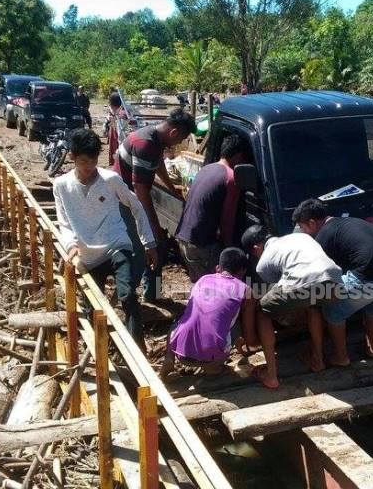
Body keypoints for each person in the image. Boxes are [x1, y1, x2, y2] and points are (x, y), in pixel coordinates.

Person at [54, 128, 158, 349]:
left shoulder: (111, 180)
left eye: (93, 161)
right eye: (83, 161)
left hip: (116, 244)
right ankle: (102, 347)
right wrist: (70, 245)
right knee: (94, 305)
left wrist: (148, 242)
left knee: (128, 294)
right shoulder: (61, 185)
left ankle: (137, 349)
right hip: (87, 253)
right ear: (72, 157)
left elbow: (136, 207)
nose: (89, 167)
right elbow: (63, 221)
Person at [293, 199, 373, 363]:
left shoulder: (324, 236)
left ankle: (341, 357)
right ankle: (372, 348)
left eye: (302, 227)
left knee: (333, 311)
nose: (303, 232)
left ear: (312, 222)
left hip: (372, 279)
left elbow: (320, 273)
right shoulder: (347, 221)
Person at [242, 225, 343, 389]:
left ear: (256, 247)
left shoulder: (263, 264)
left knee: (263, 311)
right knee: (313, 306)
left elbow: (282, 293)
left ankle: (271, 375)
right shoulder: (300, 237)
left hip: (305, 285)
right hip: (336, 284)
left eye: (254, 253)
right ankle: (318, 359)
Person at [117, 108, 197, 303]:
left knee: (154, 245)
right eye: (180, 140)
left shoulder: (155, 137)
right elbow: (140, 190)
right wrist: (153, 225)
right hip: (125, 200)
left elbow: (158, 163)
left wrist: (171, 187)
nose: (178, 144)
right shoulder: (145, 144)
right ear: (174, 133)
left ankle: (151, 293)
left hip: (133, 196)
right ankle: (129, 296)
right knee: (144, 246)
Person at [162, 247, 255, 376]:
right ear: (243, 271)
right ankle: (213, 368)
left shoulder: (203, 280)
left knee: (179, 322)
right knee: (238, 322)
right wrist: (251, 345)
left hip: (180, 352)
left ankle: (169, 358)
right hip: (210, 356)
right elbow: (248, 330)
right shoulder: (245, 290)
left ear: (218, 268)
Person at [175, 135, 250, 282]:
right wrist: (229, 249)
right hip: (201, 244)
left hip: (184, 237)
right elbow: (227, 220)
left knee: (200, 285)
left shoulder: (206, 169)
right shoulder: (231, 178)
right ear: (239, 155)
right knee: (216, 287)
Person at [105, 92, 125, 166]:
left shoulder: (122, 113)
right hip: (114, 127)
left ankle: (117, 162)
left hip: (117, 129)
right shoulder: (121, 111)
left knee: (117, 143)